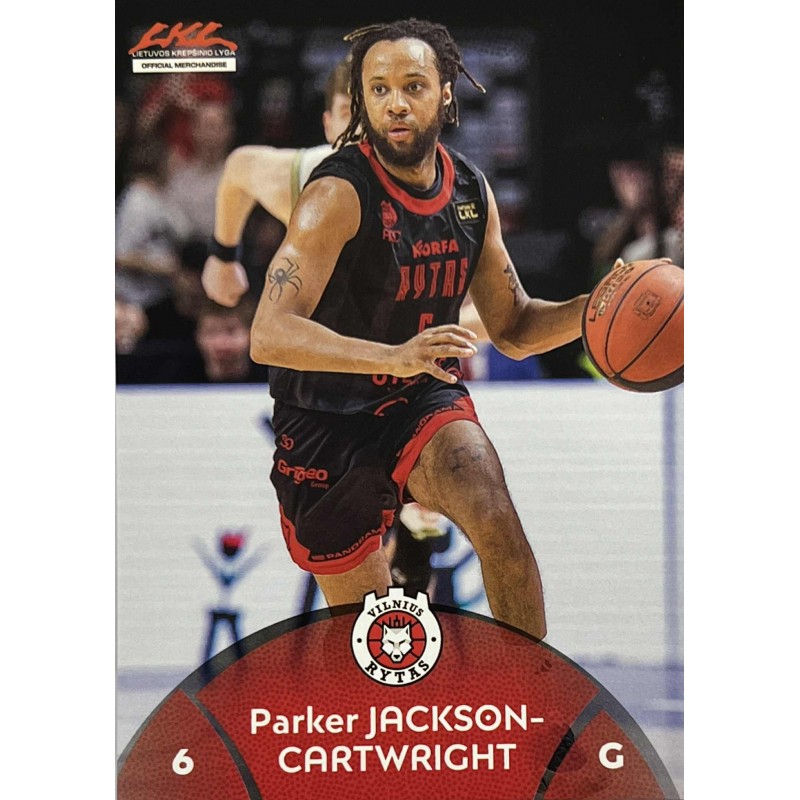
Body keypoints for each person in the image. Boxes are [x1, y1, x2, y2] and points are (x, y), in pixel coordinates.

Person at [245, 18, 615, 641]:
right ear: (362, 100)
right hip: (324, 421)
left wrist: (591, 308)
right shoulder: (336, 194)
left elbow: (514, 328)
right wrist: (393, 354)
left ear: (445, 94)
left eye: (412, 86)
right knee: (373, 648)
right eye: (379, 88)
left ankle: (532, 692)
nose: (395, 102)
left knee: (495, 515)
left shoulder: (469, 191)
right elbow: (269, 333)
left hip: (420, 398)